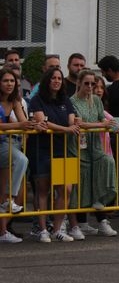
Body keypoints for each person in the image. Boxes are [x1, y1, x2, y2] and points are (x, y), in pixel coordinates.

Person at [28, 67, 80, 243]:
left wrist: (73, 124)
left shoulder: (65, 99)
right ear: (47, 80)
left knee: (66, 189)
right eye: (53, 78)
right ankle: (42, 229)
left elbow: (72, 121)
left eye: (59, 78)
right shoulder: (36, 100)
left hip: (62, 149)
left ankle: (58, 229)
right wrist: (66, 129)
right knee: (43, 189)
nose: (57, 81)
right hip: (41, 149)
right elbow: (43, 122)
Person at [69, 69, 118, 237]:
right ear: (79, 83)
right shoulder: (72, 101)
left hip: (96, 145)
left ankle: (101, 203)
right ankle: (80, 222)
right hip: (79, 146)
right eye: (87, 83)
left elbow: (103, 118)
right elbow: (80, 124)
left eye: (93, 84)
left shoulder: (96, 100)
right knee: (82, 181)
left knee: (107, 162)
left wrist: (106, 124)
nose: (90, 87)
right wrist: (102, 125)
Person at [0, 67, 34, 243]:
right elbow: (17, 125)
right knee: (21, 159)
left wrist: (34, 124)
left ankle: (3, 232)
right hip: (4, 146)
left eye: (12, 81)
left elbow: (23, 122)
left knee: (2, 190)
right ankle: (9, 199)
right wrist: (18, 125)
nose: (9, 84)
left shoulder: (15, 101)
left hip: (6, 145)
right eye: (5, 80)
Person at [97, 54, 119, 207]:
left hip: (115, 133)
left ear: (110, 70)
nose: (103, 75)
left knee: (118, 170)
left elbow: (109, 115)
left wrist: (117, 127)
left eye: (103, 72)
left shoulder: (111, 90)